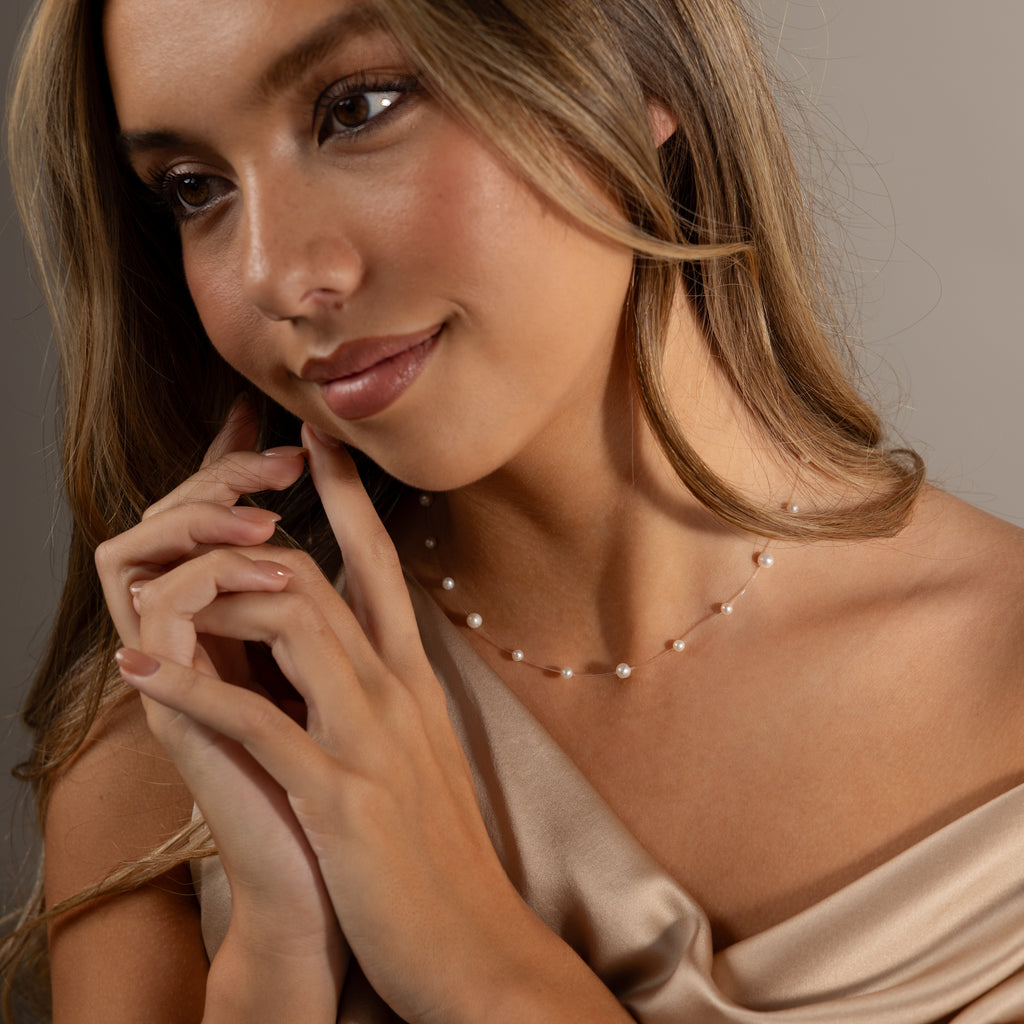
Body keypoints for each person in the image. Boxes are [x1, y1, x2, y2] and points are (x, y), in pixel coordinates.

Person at [3, 0, 1024, 1020]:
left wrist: (480, 966)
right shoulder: (181, 745)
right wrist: (277, 950)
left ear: (635, 69)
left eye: (357, 108)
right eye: (195, 188)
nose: (276, 275)